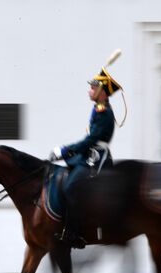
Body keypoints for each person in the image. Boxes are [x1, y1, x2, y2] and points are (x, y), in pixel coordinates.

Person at [49, 64, 124, 249]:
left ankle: (75, 233)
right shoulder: (99, 108)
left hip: (97, 157)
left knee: (73, 186)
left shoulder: (104, 112)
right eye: (90, 87)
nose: (89, 90)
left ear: (102, 92)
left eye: (93, 87)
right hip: (90, 153)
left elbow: (91, 139)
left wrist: (66, 150)